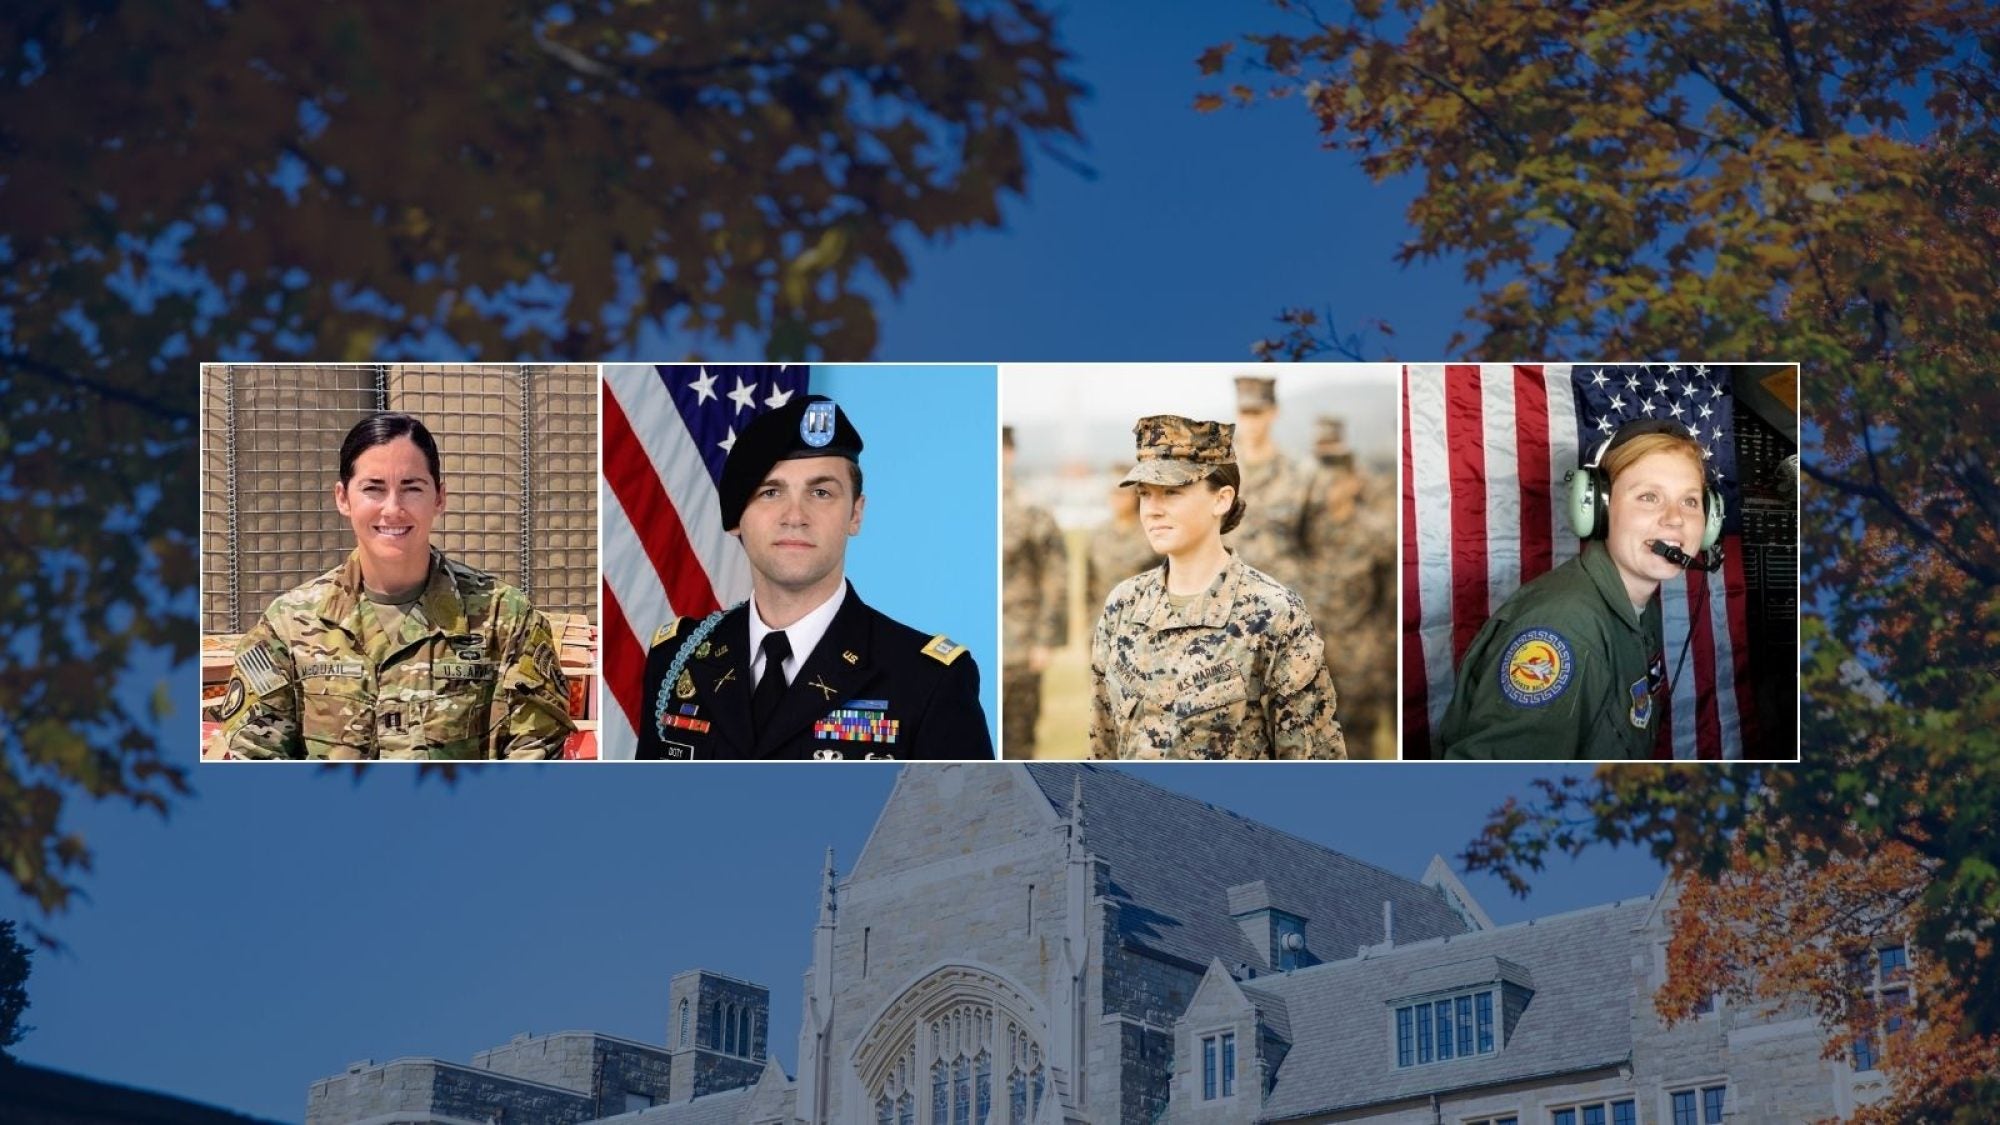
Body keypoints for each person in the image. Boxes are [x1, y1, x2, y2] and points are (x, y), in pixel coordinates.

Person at [639, 396, 992, 760]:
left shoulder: (928, 680)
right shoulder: (677, 658)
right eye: (770, 492)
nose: (795, 515)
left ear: (855, 513)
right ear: (735, 516)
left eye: (821, 492)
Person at [220, 413, 574, 760]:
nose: (393, 509)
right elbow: (256, 763)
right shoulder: (288, 625)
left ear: (439, 498)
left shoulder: (506, 621)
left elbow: (534, 763)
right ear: (343, 498)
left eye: (411, 488)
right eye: (373, 489)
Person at [1440, 420, 1719, 759]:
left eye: (1690, 501)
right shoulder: (1567, 626)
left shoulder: (1637, 609)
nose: (1675, 519)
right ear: (1595, 509)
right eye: (1649, 497)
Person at [1089, 415, 1345, 760]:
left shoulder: (1273, 614)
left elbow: (1313, 766)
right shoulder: (1123, 605)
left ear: (1221, 499)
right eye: (1145, 494)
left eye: (1172, 493)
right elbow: (1102, 750)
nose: (1152, 510)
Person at [1300, 415, 1395, 756]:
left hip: (1359, 656)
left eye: (1337, 480)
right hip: (1310, 657)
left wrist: (1381, 647)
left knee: (1357, 745)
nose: (1329, 488)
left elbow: (1389, 599)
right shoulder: (1304, 529)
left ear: (1353, 483)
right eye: (1324, 480)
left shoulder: (1376, 534)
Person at [1000, 426, 1067, 758]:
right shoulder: (965, 506)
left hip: (1019, 646)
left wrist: (1044, 639)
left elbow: (1054, 575)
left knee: (1017, 743)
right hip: (965, 645)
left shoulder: (1031, 510)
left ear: (1009, 453)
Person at [1223, 375, 1313, 596]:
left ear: (1274, 413)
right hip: (1225, 591)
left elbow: (1313, 542)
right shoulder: (1219, 469)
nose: (1251, 422)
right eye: (1246, 413)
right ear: (1237, 414)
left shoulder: (1298, 473)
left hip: (1281, 594)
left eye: (1258, 413)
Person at [1083, 462, 1161, 614]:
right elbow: (1089, 588)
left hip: (1142, 620)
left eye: (1122, 493)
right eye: (1113, 492)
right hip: (1104, 621)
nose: (1117, 498)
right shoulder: (1098, 535)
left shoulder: (1153, 532)